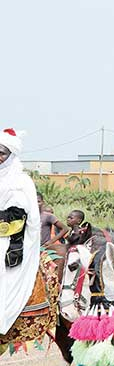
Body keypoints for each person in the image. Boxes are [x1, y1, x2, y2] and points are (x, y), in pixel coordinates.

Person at [0, 128, 41, 335]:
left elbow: (16, 218)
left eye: (2, 153)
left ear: (11, 155)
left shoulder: (20, 181)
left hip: (10, 239)